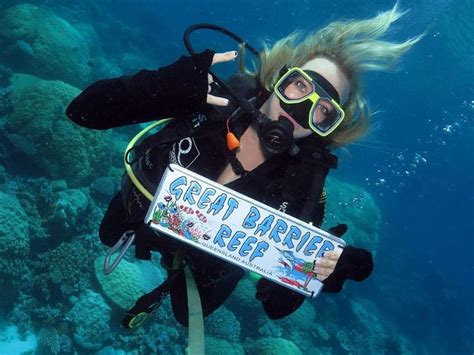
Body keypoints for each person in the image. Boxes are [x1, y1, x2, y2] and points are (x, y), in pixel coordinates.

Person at [66, 4, 420, 326]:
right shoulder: (213, 101)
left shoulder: (301, 185)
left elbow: (275, 306)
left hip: (199, 273)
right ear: (280, 79)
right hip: (136, 219)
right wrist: (161, 86)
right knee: (107, 234)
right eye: (300, 86)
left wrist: (319, 272)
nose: (299, 109)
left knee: (186, 314)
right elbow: (82, 110)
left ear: (325, 128)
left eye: (323, 110)